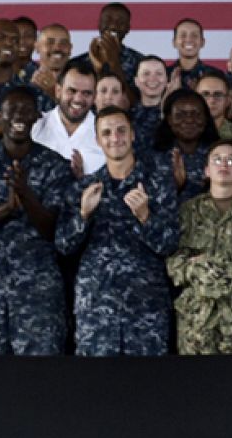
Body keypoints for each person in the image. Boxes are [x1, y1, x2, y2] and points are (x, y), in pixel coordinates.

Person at [0, 89, 73, 355]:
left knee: (39, 380)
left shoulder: (54, 165)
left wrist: (25, 195)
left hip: (38, 290)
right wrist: (6, 208)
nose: (19, 116)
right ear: (0, 116)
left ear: (36, 118)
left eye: (26, 111)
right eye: (12, 110)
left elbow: (53, 228)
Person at [58, 106, 179, 356]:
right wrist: (83, 216)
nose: (115, 138)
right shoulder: (85, 188)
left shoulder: (158, 182)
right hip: (97, 310)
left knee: (148, 389)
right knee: (97, 390)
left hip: (146, 308)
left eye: (121, 130)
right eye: (107, 132)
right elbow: (63, 246)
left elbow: (170, 244)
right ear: (98, 140)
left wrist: (146, 217)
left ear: (133, 135)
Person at [168, 140, 232, 355]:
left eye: (231, 160)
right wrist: (226, 269)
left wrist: (205, 266)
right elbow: (175, 263)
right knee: (197, 384)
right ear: (207, 170)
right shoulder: (188, 210)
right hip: (196, 318)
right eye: (217, 159)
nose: (223, 164)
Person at [32, 62, 105, 176]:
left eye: (86, 93)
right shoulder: (35, 125)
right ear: (58, 91)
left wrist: (82, 179)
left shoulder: (107, 134)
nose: (78, 99)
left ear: (95, 96)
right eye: (72, 91)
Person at [156, 88, 221, 204]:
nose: (189, 120)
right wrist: (175, 186)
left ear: (206, 118)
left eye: (196, 114)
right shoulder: (154, 157)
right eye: (180, 115)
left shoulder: (220, 155)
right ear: (169, 120)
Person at [72, 2, 144, 83]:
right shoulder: (76, 63)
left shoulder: (141, 63)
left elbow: (136, 96)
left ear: (128, 28)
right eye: (107, 20)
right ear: (99, 24)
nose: (113, 26)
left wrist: (115, 64)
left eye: (121, 22)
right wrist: (98, 69)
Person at [25, 23, 73, 112]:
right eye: (50, 42)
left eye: (63, 43)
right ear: (37, 47)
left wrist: (54, 92)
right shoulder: (22, 79)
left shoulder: (81, 82)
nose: (57, 47)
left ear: (70, 49)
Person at [167, 19, 224, 92]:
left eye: (194, 36)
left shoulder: (216, 75)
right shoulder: (165, 75)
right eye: (183, 35)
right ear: (174, 42)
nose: (189, 40)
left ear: (202, 42)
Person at [132, 55, 169, 148]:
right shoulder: (127, 117)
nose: (153, 78)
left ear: (166, 80)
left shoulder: (176, 116)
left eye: (159, 73)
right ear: (136, 81)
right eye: (146, 73)